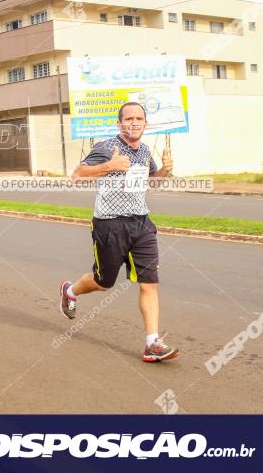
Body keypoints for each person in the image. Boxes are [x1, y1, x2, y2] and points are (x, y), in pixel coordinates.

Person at [59, 101, 177, 362]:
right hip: (109, 225)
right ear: (119, 123)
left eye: (139, 118)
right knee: (103, 283)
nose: (134, 122)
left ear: (146, 123)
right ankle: (70, 291)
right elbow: (77, 175)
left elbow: (148, 182)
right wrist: (108, 166)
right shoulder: (106, 148)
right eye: (129, 118)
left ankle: (152, 343)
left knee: (150, 284)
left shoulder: (145, 151)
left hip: (141, 224)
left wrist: (165, 172)